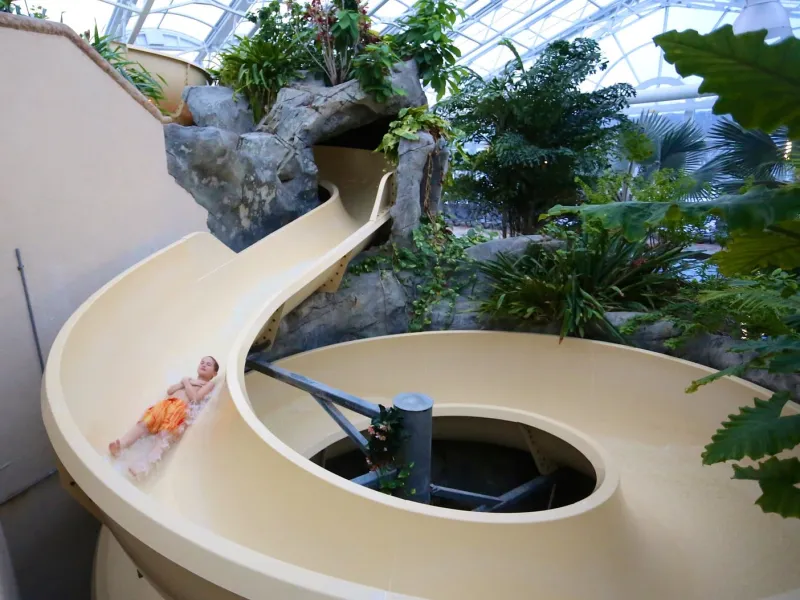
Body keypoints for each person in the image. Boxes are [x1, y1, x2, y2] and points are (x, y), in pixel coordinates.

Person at [108, 356, 219, 458]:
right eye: (202, 363)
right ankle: (122, 444)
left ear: (214, 373)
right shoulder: (189, 380)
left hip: (179, 410)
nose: (204, 365)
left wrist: (186, 383)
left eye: (208, 364)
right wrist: (185, 382)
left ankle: (144, 466)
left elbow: (195, 398)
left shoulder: (208, 384)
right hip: (165, 404)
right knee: (143, 423)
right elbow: (170, 391)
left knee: (164, 436)